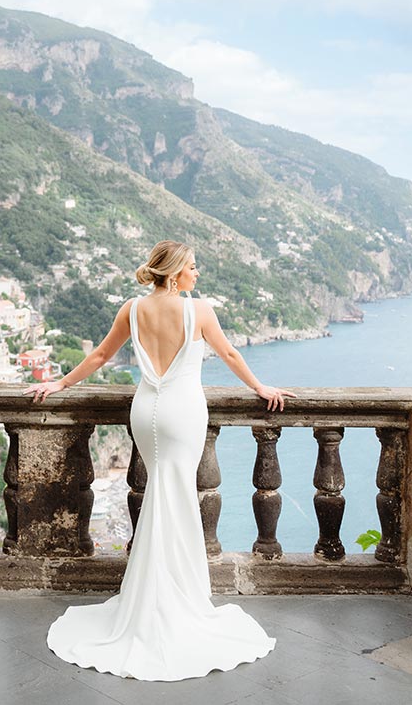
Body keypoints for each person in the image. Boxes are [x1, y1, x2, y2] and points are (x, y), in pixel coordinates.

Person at [22, 240, 293, 681]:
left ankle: (148, 596)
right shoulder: (198, 310)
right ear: (174, 273)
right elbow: (229, 354)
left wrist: (60, 384)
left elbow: (102, 355)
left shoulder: (133, 308)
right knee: (178, 499)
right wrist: (261, 388)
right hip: (183, 410)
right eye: (192, 266)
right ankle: (177, 597)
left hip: (146, 410)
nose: (197, 273)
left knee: (159, 498)